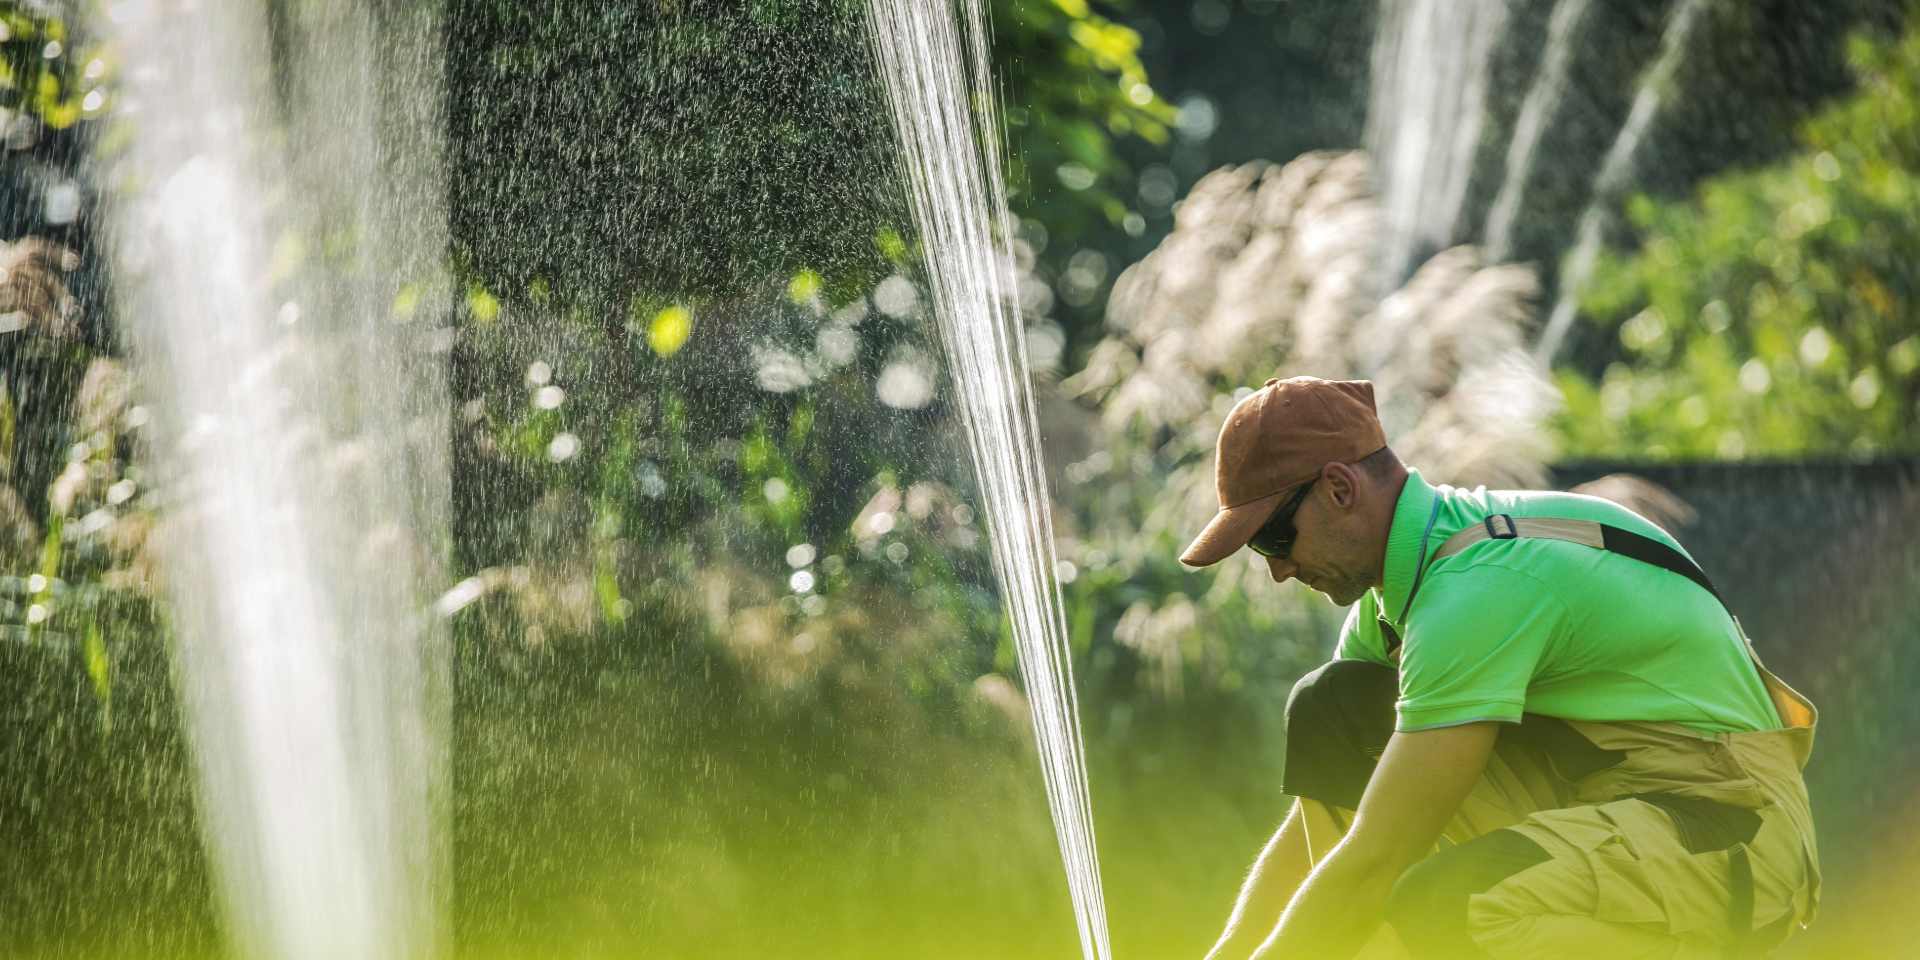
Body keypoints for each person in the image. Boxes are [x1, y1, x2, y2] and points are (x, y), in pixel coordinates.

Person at [1185, 377, 1818, 960]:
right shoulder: (1401, 599)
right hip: (1610, 797)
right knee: (1335, 706)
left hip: (1732, 830)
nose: (1277, 570)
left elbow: (1378, 854)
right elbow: (1324, 826)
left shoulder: (1476, 590)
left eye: (1273, 539)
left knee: (1451, 909)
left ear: (1340, 488)